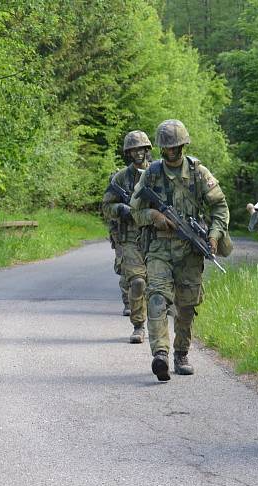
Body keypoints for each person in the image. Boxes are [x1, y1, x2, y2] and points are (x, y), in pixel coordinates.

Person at [130, 119, 229, 380]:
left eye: (176, 147)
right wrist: (154, 215)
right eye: (167, 147)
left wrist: (215, 235)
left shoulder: (198, 173)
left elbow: (220, 206)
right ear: (161, 148)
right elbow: (135, 210)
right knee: (156, 298)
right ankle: (160, 353)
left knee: (186, 306)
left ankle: (181, 352)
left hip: (190, 250)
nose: (171, 151)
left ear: (183, 146)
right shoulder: (151, 173)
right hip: (159, 248)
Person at [102, 130, 152, 343]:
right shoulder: (121, 178)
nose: (138, 153)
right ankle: (139, 326)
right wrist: (121, 209)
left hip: (157, 236)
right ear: (128, 153)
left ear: (147, 150)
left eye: (141, 149)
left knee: (159, 285)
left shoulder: (158, 172)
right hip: (130, 237)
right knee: (138, 282)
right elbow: (106, 206)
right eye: (133, 150)